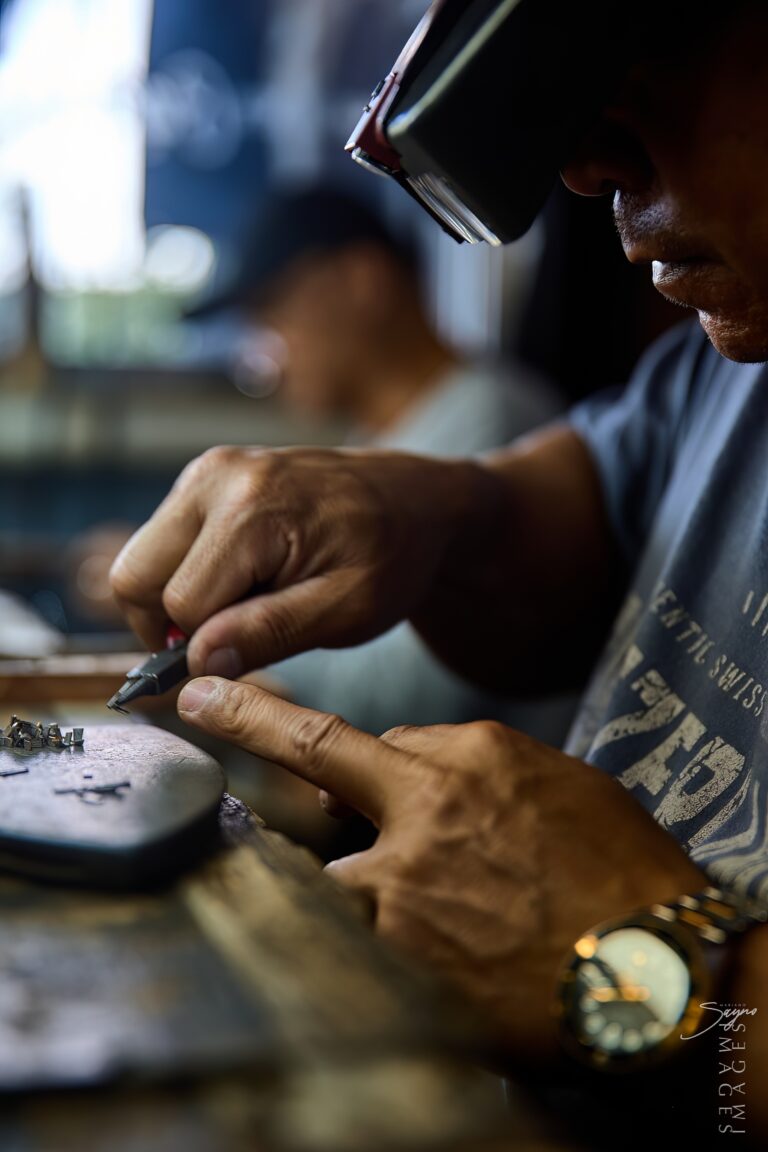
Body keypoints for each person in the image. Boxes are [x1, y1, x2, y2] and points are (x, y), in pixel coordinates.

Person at [111, 5, 768, 1138]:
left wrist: (660, 973)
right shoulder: (733, 369)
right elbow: (583, 512)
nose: (583, 164)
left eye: (656, 42)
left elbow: (671, 1002)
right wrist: (424, 509)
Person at [192, 183, 571, 739]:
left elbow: (404, 700)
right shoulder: (373, 439)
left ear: (360, 281)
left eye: (273, 316)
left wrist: (211, 638)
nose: (264, 358)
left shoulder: (492, 422)